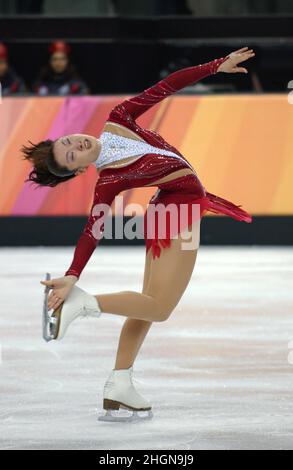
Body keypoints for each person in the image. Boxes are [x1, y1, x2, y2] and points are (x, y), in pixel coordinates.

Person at [22, 47, 255, 422]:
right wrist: (74, 275)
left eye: (67, 141)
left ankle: (120, 382)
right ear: (78, 171)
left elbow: (166, 86)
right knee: (159, 307)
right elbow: (92, 229)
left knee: (147, 302)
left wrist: (216, 66)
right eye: (70, 157)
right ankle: (85, 304)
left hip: (169, 205)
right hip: (178, 210)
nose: (75, 146)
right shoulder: (109, 180)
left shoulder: (119, 118)